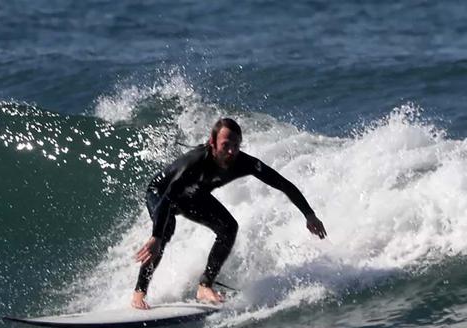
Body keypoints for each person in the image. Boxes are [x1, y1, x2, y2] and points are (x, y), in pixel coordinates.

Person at [132, 118, 327, 309]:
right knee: (166, 228)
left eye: (236, 145)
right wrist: (156, 236)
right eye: (226, 145)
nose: (232, 151)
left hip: (192, 194)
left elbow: (283, 184)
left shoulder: (245, 163)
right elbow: (168, 197)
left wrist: (309, 215)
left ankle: (204, 286)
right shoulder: (195, 162)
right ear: (212, 143)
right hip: (161, 192)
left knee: (229, 228)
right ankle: (139, 294)